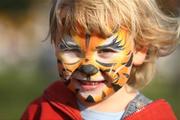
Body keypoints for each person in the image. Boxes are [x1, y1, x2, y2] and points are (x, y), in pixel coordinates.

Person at [21, 0, 180, 119]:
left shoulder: (158, 116)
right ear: (55, 48)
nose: (88, 67)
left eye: (106, 50)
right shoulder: (41, 111)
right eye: (72, 50)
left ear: (139, 50)